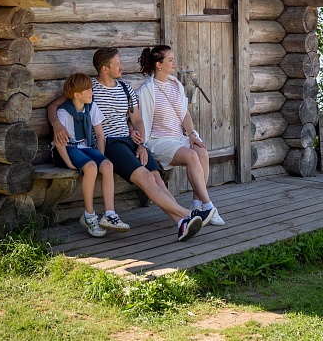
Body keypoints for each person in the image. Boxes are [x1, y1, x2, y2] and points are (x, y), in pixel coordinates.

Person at [49, 49, 204, 242]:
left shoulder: (125, 88)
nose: (122, 67)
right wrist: (57, 124)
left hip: (132, 142)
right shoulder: (90, 89)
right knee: (147, 178)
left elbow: (136, 120)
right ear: (105, 69)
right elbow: (54, 106)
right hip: (111, 144)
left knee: (156, 177)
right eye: (117, 64)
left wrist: (141, 145)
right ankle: (187, 214)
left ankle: (181, 223)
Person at [136, 44, 225, 226]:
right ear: (159, 64)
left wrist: (192, 134)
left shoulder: (176, 85)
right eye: (170, 60)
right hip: (159, 141)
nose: (174, 63)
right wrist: (140, 144)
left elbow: (184, 114)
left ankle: (197, 204)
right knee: (191, 156)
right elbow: (139, 121)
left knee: (201, 152)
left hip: (179, 137)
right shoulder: (146, 90)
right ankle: (209, 206)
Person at [51, 72, 129, 237]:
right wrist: (69, 163)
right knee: (91, 167)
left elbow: (100, 135)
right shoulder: (64, 112)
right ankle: (89, 215)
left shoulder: (91, 107)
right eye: (88, 90)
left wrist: (101, 157)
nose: (92, 93)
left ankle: (110, 214)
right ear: (77, 94)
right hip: (66, 149)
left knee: (107, 165)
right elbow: (59, 143)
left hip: (85, 147)